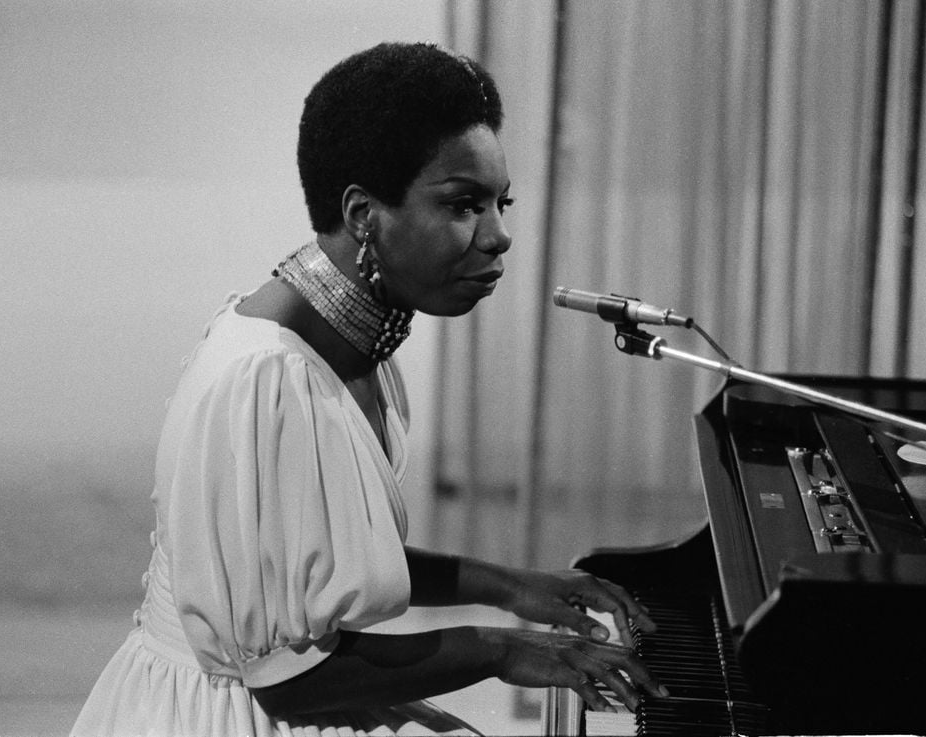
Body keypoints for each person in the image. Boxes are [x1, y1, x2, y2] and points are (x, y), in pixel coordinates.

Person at [72, 42, 665, 737]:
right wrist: (502, 647)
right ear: (362, 214)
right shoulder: (268, 379)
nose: (500, 235)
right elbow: (289, 678)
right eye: (463, 205)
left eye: (500, 202)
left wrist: (509, 587)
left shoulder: (353, 345)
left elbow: (323, 564)